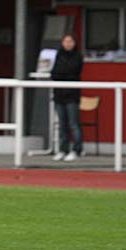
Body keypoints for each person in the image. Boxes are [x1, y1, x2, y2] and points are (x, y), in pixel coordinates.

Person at [51, 34, 84, 162]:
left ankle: (77, 150)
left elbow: (74, 71)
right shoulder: (58, 55)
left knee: (73, 124)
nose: (68, 43)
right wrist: (61, 74)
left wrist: (62, 73)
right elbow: (54, 73)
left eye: (70, 41)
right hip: (59, 94)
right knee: (62, 124)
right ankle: (62, 150)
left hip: (72, 95)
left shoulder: (78, 56)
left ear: (74, 43)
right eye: (65, 41)